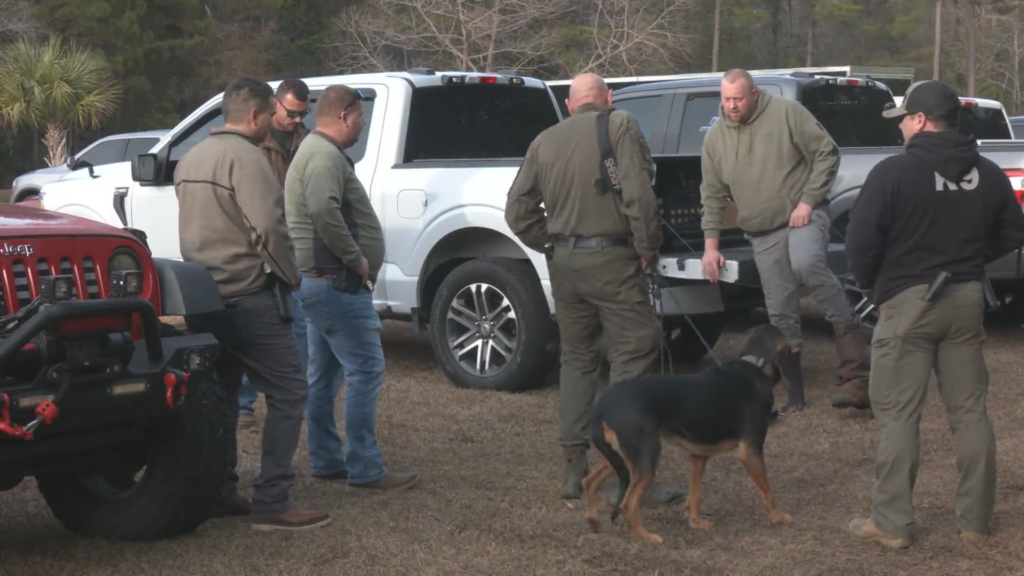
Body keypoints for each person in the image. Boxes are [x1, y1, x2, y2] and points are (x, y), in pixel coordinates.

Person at [844, 80, 1024, 548]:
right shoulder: (988, 173)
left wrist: (874, 286)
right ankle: (975, 522)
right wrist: (972, 260)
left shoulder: (892, 173)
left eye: (904, 118)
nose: (901, 126)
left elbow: (860, 243)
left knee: (899, 415)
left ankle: (892, 523)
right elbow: (1012, 233)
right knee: (970, 412)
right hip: (965, 299)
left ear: (921, 120)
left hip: (907, 303)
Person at [505, 73, 684, 507]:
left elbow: (517, 210)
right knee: (636, 349)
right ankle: (628, 468)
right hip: (613, 258)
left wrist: (550, 242)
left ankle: (573, 468)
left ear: (570, 105)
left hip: (565, 263)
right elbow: (639, 194)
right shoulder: (619, 123)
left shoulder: (544, 139)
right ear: (606, 98)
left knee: (577, 358)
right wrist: (648, 246)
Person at [174, 76, 331, 530]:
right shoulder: (249, 158)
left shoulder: (192, 157)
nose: (275, 123)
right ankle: (273, 500)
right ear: (256, 115)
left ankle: (220, 491)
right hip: (250, 293)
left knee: (221, 395)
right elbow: (270, 227)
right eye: (271, 115)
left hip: (203, 297)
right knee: (288, 392)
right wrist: (292, 276)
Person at [699, 68, 872, 412]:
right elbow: (713, 194)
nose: (732, 106)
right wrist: (711, 247)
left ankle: (856, 367)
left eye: (738, 98)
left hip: (802, 214)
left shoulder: (787, 113)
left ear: (754, 95)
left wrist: (808, 201)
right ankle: (795, 393)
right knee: (779, 307)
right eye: (726, 99)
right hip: (761, 230)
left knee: (807, 263)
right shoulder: (715, 138)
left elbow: (827, 152)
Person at [284, 84, 420, 490]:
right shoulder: (324, 157)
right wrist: (355, 259)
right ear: (343, 115)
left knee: (323, 377)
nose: (363, 124)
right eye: (360, 116)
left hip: (321, 284)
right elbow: (325, 209)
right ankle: (364, 467)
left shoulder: (315, 152)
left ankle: (326, 459)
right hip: (336, 284)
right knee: (366, 371)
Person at [238, 77, 313, 431]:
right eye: (292, 113)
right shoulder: (253, 143)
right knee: (250, 325)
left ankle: (290, 399)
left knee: (296, 327)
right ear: (275, 106)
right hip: (255, 246)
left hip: (293, 244)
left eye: (304, 113)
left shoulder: (309, 142)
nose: (298, 120)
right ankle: (242, 404)